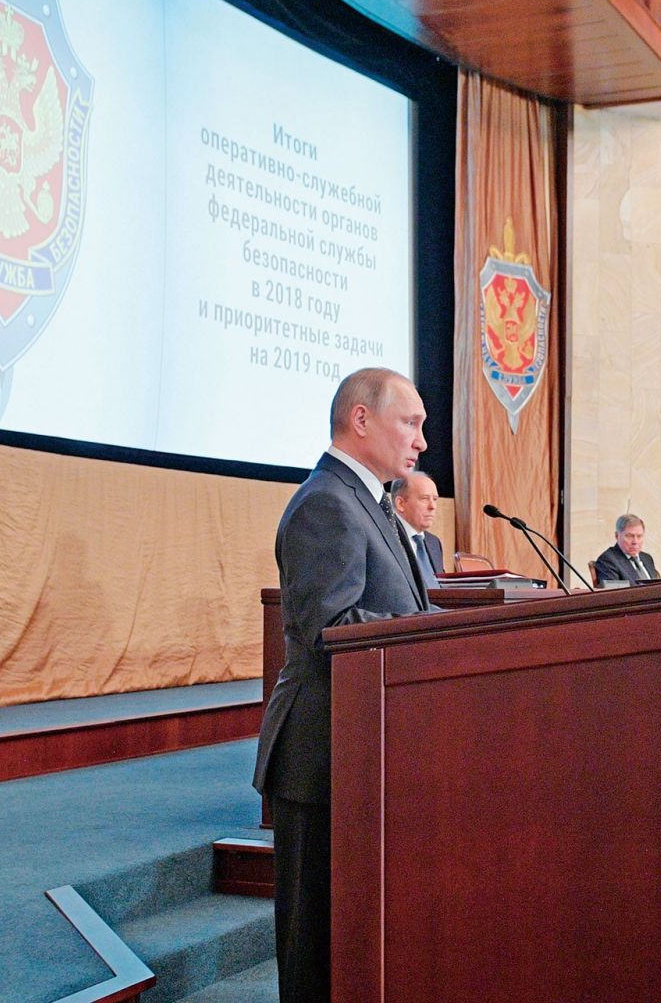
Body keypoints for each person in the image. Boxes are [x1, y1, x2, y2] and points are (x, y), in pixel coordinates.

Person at [253, 367, 435, 1003]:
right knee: (314, 947)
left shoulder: (369, 501)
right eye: (410, 423)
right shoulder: (326, 503)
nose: (421, 441)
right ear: (361, 421)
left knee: (347, 940)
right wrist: (430, 636)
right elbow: (330, 627)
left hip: (361, 748)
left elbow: (399, 609)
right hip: (321, 752)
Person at [390, 471, 443, 589]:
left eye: (435, 499)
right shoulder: (386, 538)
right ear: (401, 503)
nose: (432, 506)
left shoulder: (434, 543)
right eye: (424, 499)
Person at [593, 513, 661, 584]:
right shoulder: (608, 560)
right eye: (630, 536)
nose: (635, 541)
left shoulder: (647, 558)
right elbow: (612, 594)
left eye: (639, 536)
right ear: (617, 536)